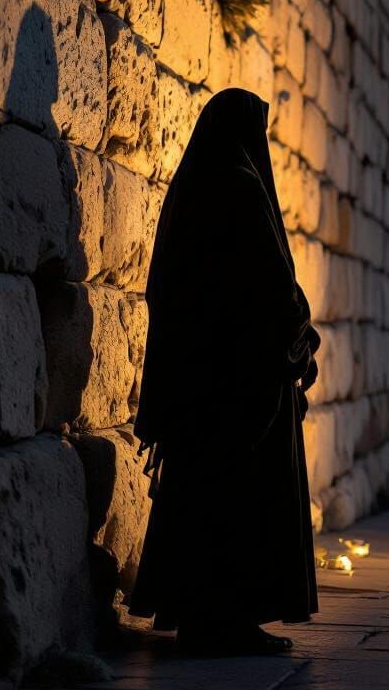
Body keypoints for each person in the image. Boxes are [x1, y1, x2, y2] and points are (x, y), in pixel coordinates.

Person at [128, 89, 320, 655]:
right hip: (242, 382)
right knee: (242, 500)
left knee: (204, 496)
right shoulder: (240, 185)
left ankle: (204, 618)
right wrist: (301, 335)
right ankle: (228, 622)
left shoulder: (194, 185)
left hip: (200, 381)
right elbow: (269, 287)